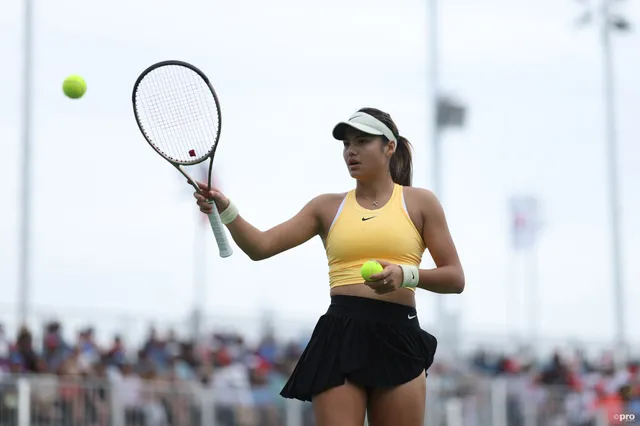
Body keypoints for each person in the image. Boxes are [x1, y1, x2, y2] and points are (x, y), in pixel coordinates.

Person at [194, 107, 465, 426]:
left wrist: (405, 275)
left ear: (389, 147)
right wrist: (226, 209)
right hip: (341, 334)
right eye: (347, 144)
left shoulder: (421, 203)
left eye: (362, 142)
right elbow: (260, 247)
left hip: (400, 335)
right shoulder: (326, 206)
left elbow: (455, 278)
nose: (351, 151)